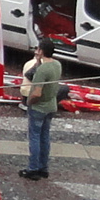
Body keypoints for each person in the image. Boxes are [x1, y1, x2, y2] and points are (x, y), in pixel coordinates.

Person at [18, 37, 63, 179]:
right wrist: (38, 61)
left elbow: (37, 91)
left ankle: (33, 168)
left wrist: (30, 102)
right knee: (45, 137)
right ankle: (44, 167)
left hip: (39, 107)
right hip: (51, 105)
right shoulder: (57, 65)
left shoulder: (43, 70)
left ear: (41, 50)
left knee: (35, 137)